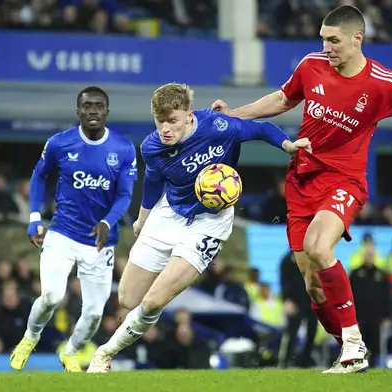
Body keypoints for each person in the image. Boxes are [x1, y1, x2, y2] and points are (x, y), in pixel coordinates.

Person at [211, 5, 392, 374]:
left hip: (345, 182)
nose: (326, 47)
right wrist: (236, 114)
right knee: (313, 286)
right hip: (301, 182)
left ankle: (354, 345)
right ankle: (348, 348)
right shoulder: (311, 66)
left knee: (318, 246)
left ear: (357, 38)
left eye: (334, 40)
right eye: (323, 39)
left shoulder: (383, 83)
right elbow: (282, 100)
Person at [86, 82, 310, 372]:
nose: (165, 128)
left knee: (154, 301)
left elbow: (260, 129)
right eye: (160, 121)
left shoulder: (217, 126)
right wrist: (143, 217)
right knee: (127, 298)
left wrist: (287, 145)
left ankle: (104, 355)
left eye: (172, 121)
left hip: (209, 222)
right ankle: (139, 350)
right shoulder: (153, 146)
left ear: (188, 115)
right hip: (169, 213)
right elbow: (153, 181)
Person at [10, 86, 138, 372]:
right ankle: (29, 339)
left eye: (99, 106)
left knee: (93, 314)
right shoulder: (60, 143)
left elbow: (124, 196)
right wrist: (34, 218)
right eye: (87, 106)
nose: (93, 110)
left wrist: (107, 221)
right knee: (52, 296)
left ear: (107, 111)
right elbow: (38, 176)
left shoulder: (123, 147)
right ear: (78, 110)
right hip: (63, 233)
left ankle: (70, 352)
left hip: (101, 241)